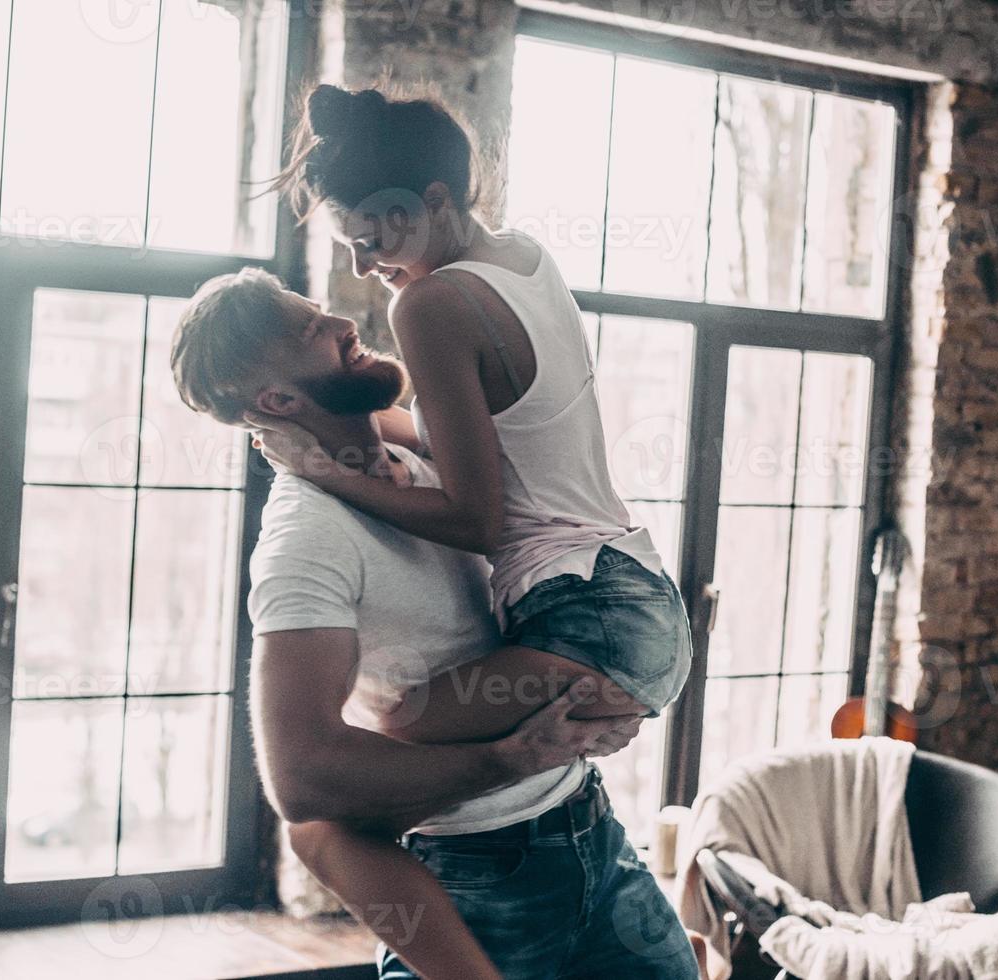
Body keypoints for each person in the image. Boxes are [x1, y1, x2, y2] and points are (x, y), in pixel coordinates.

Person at [237, 83, 699, 979]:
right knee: (328, 800)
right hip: (627, 596)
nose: (364, 271)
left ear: (436, 203)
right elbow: (480, 435)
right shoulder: (522, 257)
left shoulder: (431, 306)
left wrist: (327, 467)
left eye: (376, 234)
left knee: (361, 772)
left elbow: (478, 518)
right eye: (351, 244)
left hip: (582, 612)